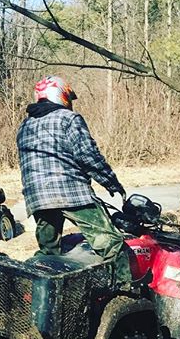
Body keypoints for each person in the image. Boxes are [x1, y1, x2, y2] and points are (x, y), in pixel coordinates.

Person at [16, 75, 132, 287]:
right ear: (61, 96)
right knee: (111, 244)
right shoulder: (68, 119)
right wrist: (111, 182)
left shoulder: (25, 126)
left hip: (37, 198)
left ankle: (42, 294)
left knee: (48, 253)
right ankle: (125, 291)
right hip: (71, 193)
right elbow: (88, 155)